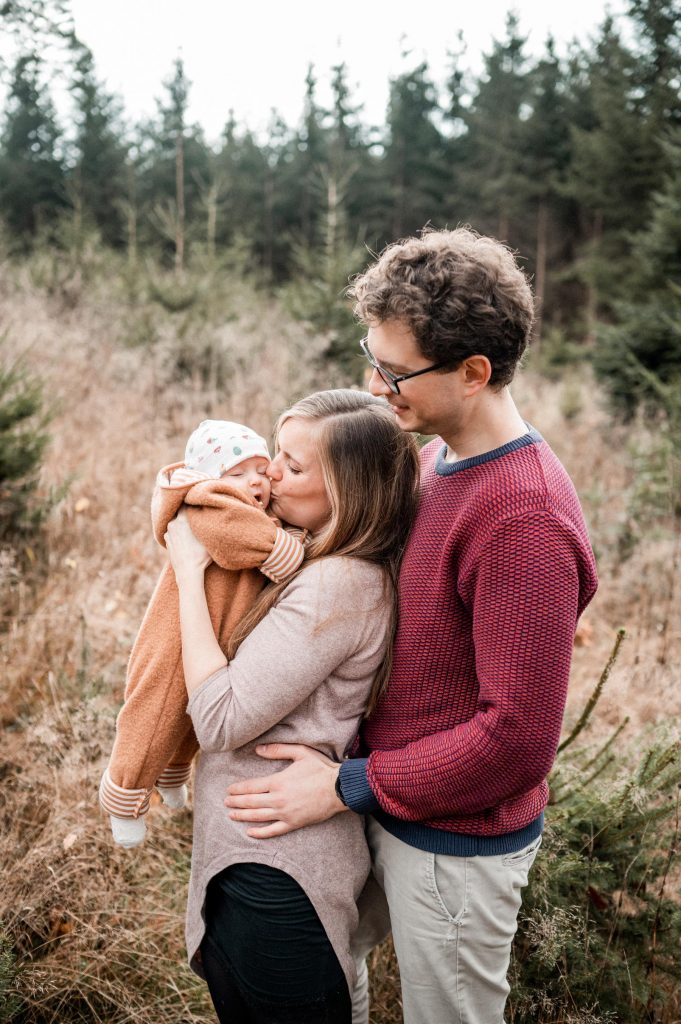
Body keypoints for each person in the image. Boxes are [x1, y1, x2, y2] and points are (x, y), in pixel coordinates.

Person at [225, 228, 600, 1024]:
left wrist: (343, 785)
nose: (374, 383)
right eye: (372, 356)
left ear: (472, 373)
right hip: (382, 805)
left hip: (452, 844)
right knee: (333, 972)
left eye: (395, 372)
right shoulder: (432, 462)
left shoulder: (521, 518)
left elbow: (516, 739)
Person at [164, 390, 420, 1024]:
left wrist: (188, 573)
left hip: (277, 875)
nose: (270, 470)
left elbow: (219, 717)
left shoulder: (341, 583)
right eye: (278, 452)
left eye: (293, 465)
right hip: (259, 856)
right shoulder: (312, 560)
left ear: (349, 494)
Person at [99, 419, 306, 848]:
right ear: (214, 478)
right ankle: (124, 795)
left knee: (194, 716)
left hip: (214, 630)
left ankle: (173, 777)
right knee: (153, 715)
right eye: (237, 473)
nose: (253, 481)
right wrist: (285, 549)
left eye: (258, 469)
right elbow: (235, 540)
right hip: (174, 638)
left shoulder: (245, 508)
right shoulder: (206, 503)